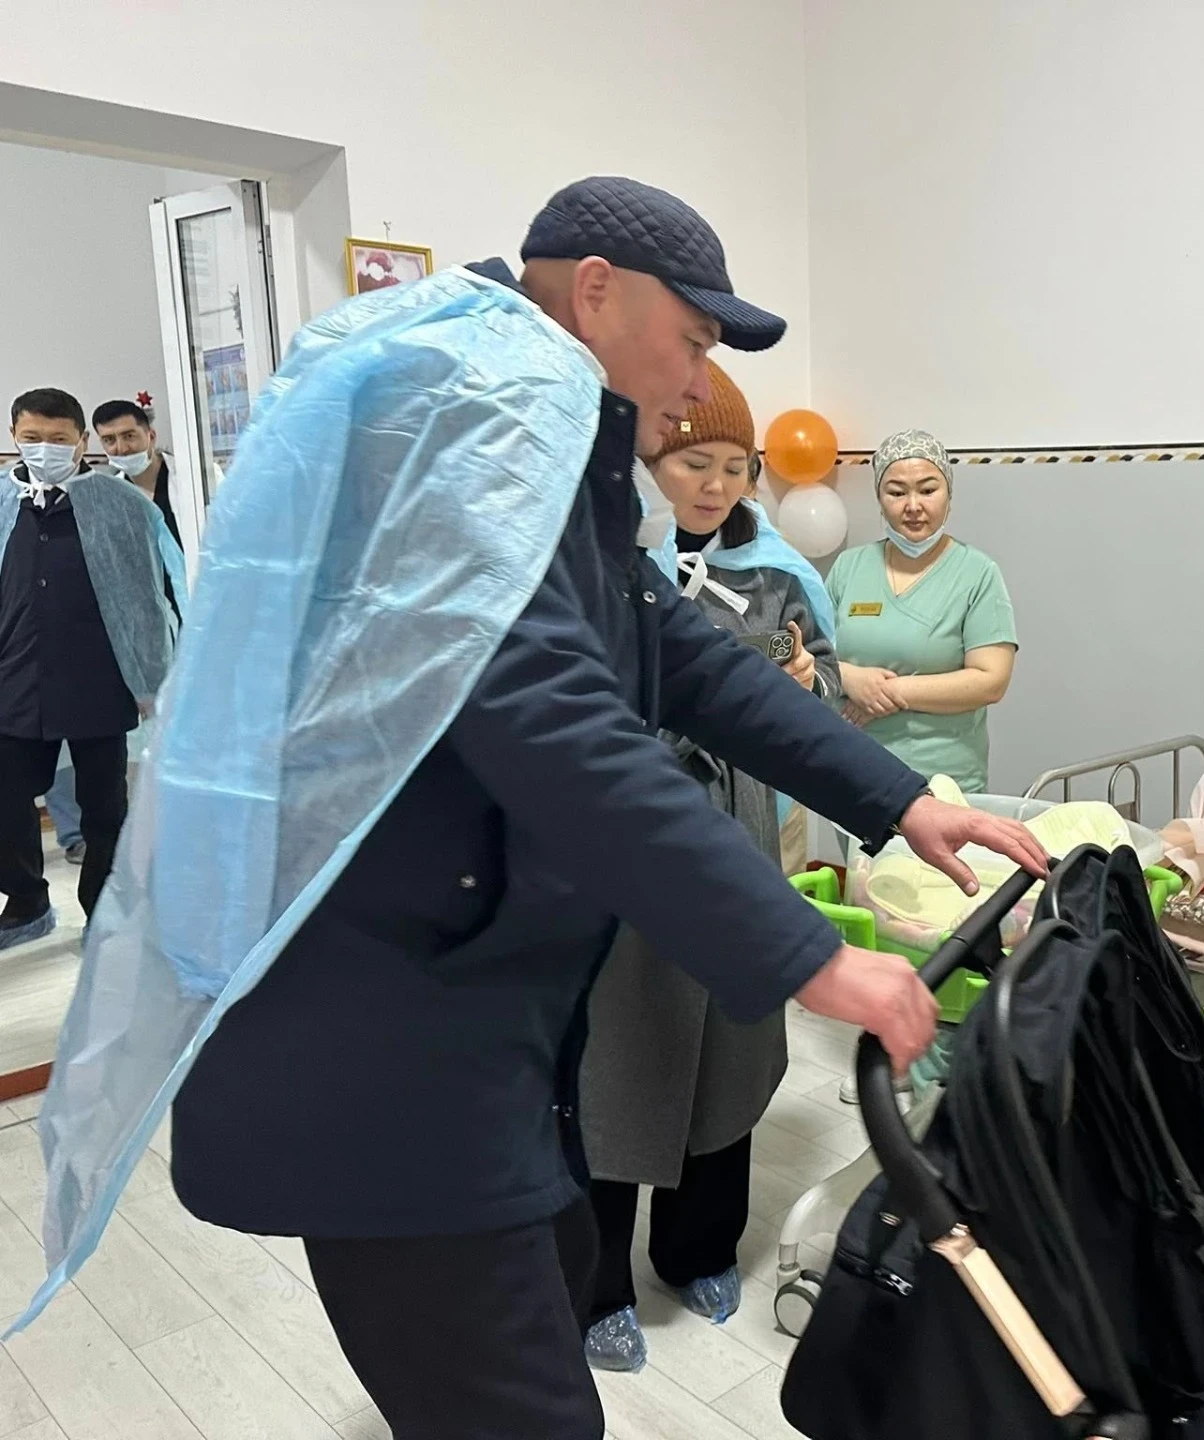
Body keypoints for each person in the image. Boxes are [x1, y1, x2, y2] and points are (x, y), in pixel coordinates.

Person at [16, 178, 1047, 1440]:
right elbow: (556, 721)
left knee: (544, 1315)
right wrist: (810, 957)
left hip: (485, 1022)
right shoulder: (467, 421)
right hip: (387, 1039)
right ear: (597, 290)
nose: (698, 381)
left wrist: (899, 799)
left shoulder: (542, 434)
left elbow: (673, 647)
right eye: (694, 340)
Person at [578, 359, 838, 1370]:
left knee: (729, 1053)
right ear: (649, 465)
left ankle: (699, 1249)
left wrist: (810, 683)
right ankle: (595, 1285)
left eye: (734, 465)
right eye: (694, 462)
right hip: (626, 855)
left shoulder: (777, 575)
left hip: (737, 846)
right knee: (613, 1065)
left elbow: (820, 703)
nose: (715, 483)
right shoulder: (598, 567)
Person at [0, 389, 179, 946]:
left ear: (81, 442)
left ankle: (103, 910)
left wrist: (151, 679)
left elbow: (146, 599)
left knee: (104, 808)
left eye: (58, 439)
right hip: (15, 678)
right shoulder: (3, 504)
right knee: (6, 798)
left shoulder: (121, 506)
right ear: (13, 437)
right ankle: (27, 901)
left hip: (98, 678)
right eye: (32, 438)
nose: (45, 449)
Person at [829, 429, 1018, 794]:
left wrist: (890, 692)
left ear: (949, 494)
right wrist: (849, 678)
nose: (913, 505)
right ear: (879, 498)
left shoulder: (977, 574)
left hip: (943, 782)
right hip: (854, 771)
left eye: (928, 490)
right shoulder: (848, 568)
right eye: (897, 492)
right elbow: (810, 654)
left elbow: (991, 680)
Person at [92, 399, 182, 549]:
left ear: (151, 436)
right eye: (109, 440)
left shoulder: (192, 478)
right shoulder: (109, 497)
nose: (121, 449)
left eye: (129, 436)